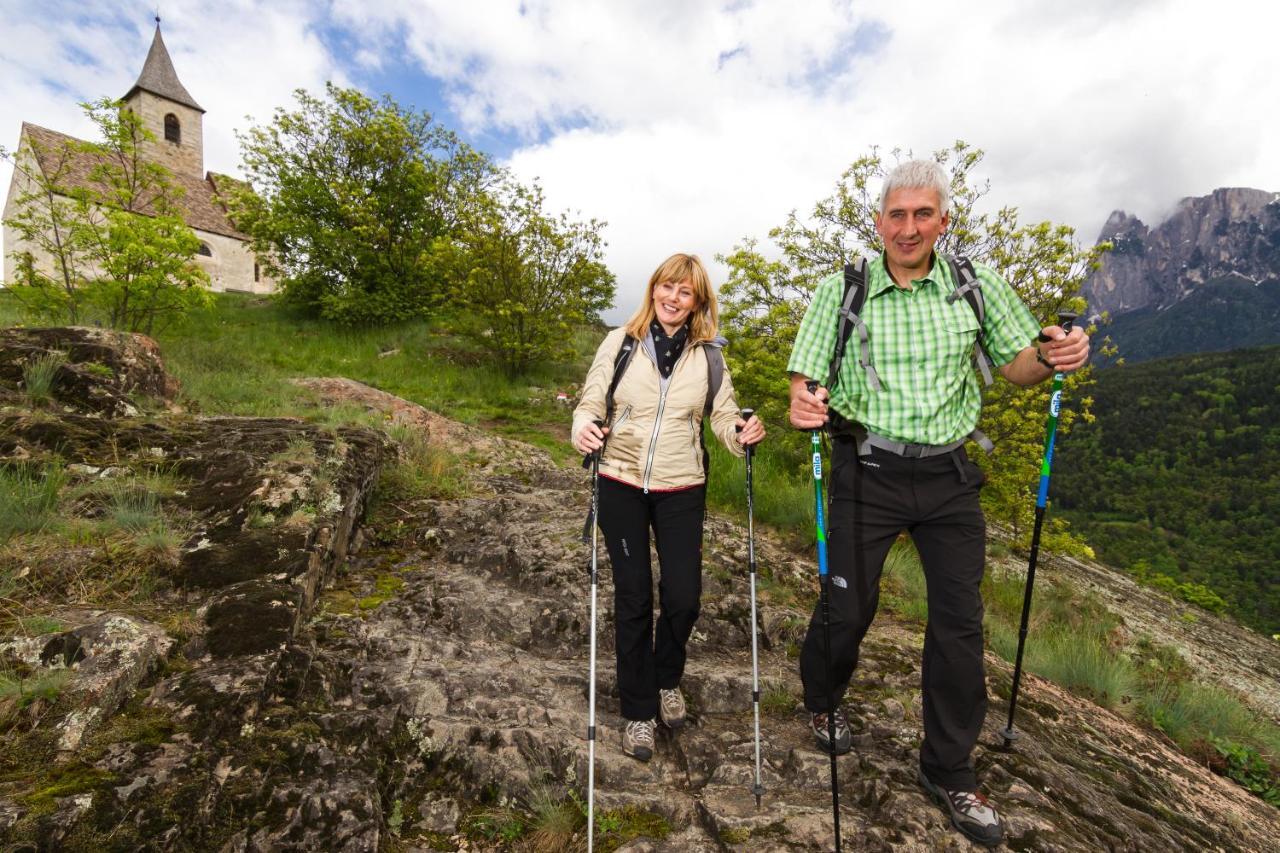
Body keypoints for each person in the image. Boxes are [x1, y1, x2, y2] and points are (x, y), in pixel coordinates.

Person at [786, 161, 1089, 848]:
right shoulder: (844, 289)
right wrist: (803, 402)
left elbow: (1019, 362)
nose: (910, 226)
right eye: (898, 214)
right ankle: (822, 698)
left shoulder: (973, 285)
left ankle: (949, 768)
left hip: (949, 474)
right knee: (848, 604)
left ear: (943, 222)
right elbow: (804, 381)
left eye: (924, 214)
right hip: (865, 466)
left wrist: (1057, 354)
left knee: (959, 624)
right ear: (879, 223)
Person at [572, 252, 765, 763]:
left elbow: (723, 419)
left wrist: (742, 437)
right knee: (633, 597)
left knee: (684, 597)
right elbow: (592, 401)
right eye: (666, 287)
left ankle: (666, 679)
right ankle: (638, 713)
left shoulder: (711, 358)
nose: (673, 298)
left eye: (685, 292)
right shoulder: (620, 343)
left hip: (682, 487)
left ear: (698, 301)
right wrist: (581, 428)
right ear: (653, 289)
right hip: (620, 480)